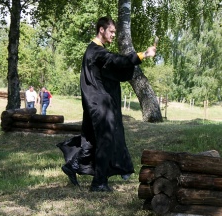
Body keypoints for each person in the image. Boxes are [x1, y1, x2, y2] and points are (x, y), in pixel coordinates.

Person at [57, 16, 156, 192]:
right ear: (101, 30)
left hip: (95, 103)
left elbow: (112, 70)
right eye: (111, 31)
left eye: (114, 32)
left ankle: (72, 166)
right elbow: (117, 61)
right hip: (99, 104)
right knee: (105, 140)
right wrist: (143, 55)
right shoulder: (96, 51)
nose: (112, 35)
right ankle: (99, 183)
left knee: (92, 140)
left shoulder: (94, 51)